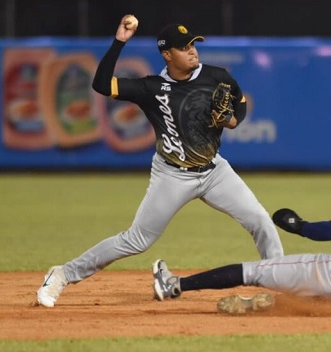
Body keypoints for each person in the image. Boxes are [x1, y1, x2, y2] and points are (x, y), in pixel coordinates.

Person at [36, 15, 284, 308]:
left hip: (215, 171)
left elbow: (240, 103)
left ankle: (282, 283)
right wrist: (119, 42)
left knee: (260, 221)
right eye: (184, 47)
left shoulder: (216, 76)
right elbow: (102, 85)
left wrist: (232, 120)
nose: (193, 50)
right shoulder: (150, 88)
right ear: (167, 55)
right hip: (172, 175)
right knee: (136, 241)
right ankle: (63, 274)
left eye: (194, 44)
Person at [152, 156, 331, 314]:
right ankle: (254, 306)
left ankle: (174, 285)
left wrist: (297, 225)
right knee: (303, 308)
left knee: (255, 271)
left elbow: (328, 232)